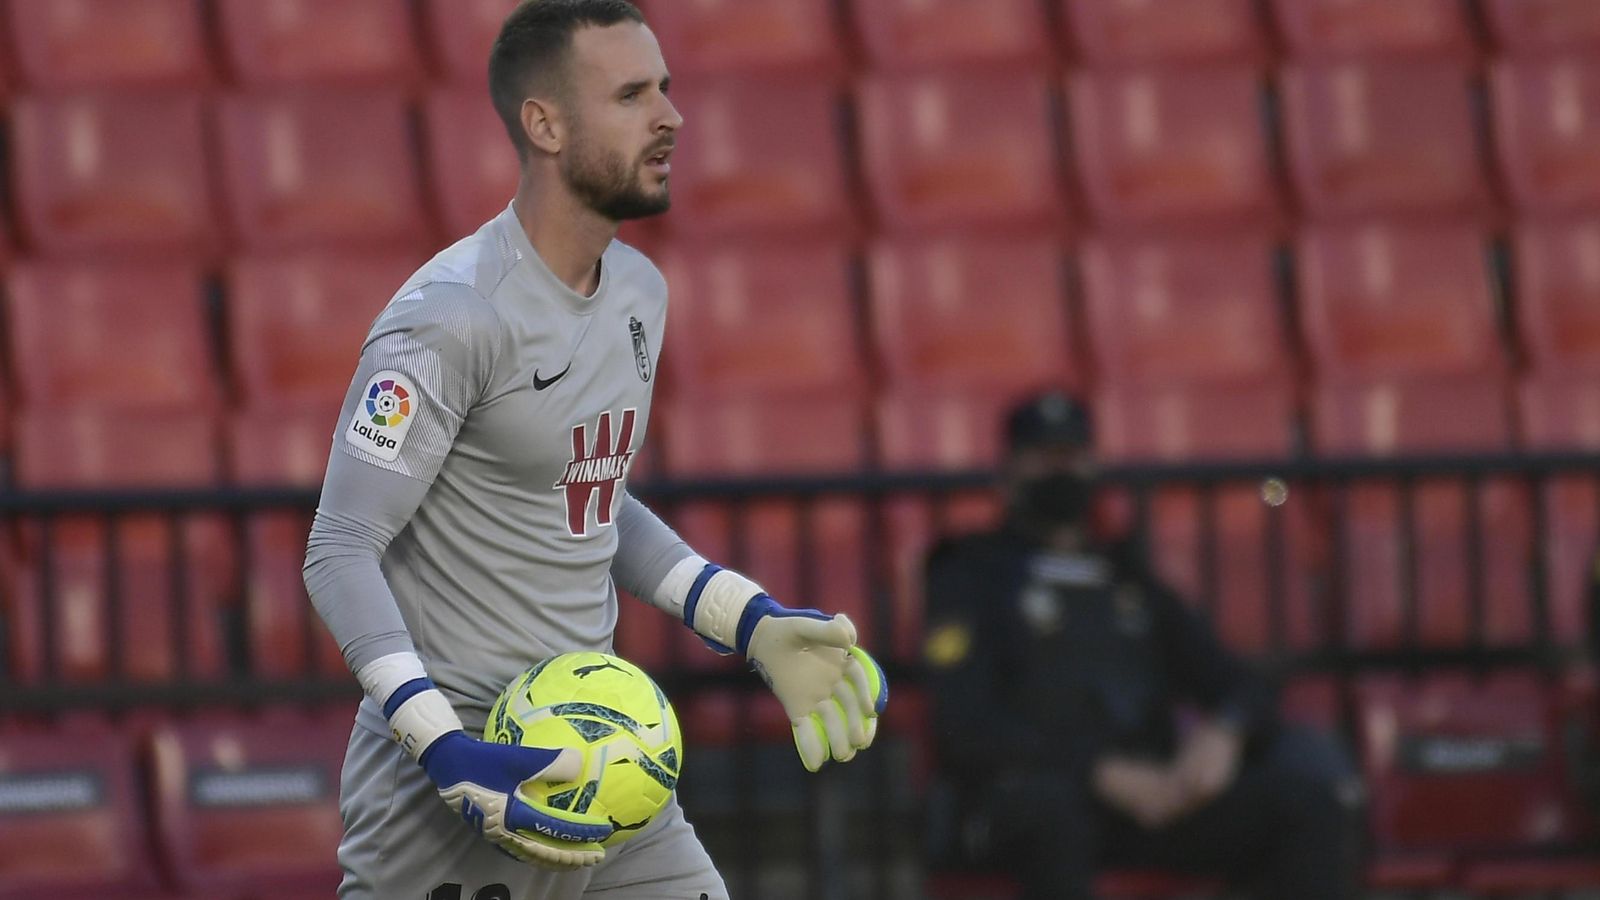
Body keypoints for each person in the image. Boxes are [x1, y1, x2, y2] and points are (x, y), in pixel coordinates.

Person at [301, 2, 887, 898]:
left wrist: (750, 621)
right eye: (631, 94)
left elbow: (590, 498)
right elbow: (339, 548)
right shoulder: (448, 318)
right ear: (545, 125)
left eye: (666, 89)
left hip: (606, 758)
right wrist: (444, 747)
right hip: (453, 784)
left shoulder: (641, 294)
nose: (671, 117)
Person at [922, 390, 1362, 900]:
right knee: (1051, 813)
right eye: (1044, 460)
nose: (1061, 473)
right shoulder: (969, 576)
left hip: (1152, 798)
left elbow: (1236, 681)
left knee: (1307, 805)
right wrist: (1098, 771)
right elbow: (967, 721)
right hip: (1032, 799)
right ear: (1011, 472)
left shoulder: (1127, 581)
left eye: (1073, 458)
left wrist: (1224, 733)